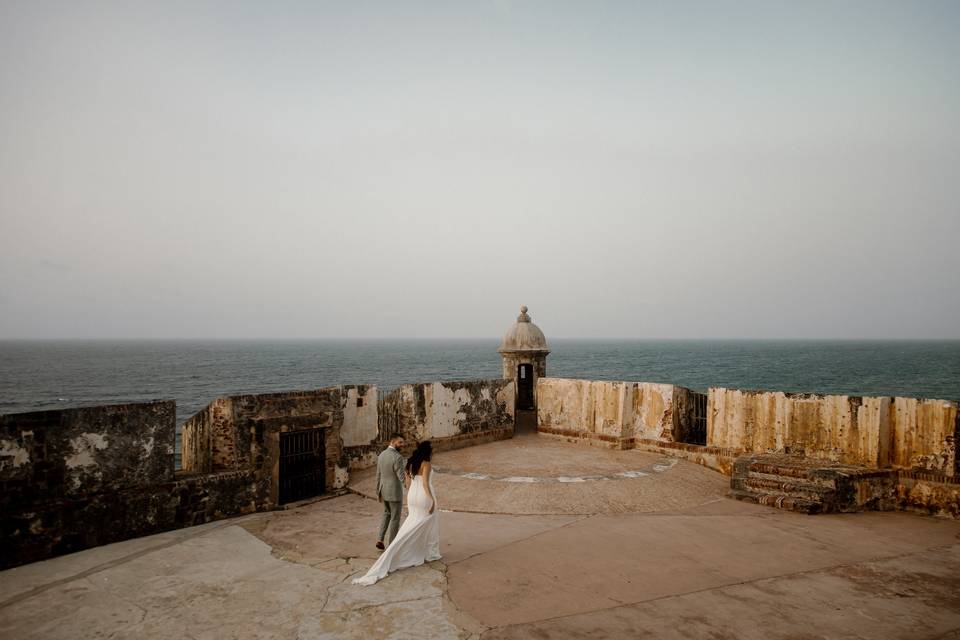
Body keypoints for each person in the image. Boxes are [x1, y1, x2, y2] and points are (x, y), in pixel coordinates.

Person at [353, 440, 441, 586]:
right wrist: (431, 499)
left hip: (412, 496)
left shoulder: (410, 463)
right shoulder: (426, 463)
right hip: (424, 495)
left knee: (413, 523)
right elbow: (425, 484)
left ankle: (410, 549)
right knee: (428, 522)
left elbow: (407, 484)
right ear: (427, 451)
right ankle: (428, 553)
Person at [373, 433, 406, 550]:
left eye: (403, 442)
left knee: (386, 514)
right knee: (395, 518)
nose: (403, 445)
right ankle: (392, 546)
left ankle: (380, 540)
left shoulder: (381, 455)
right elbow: (401, 476)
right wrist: (411, 487)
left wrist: (377, 491)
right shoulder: (397, 457)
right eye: (400, 442)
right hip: (394, 493)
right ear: (392, 442)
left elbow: (378, 475)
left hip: (383, 490)